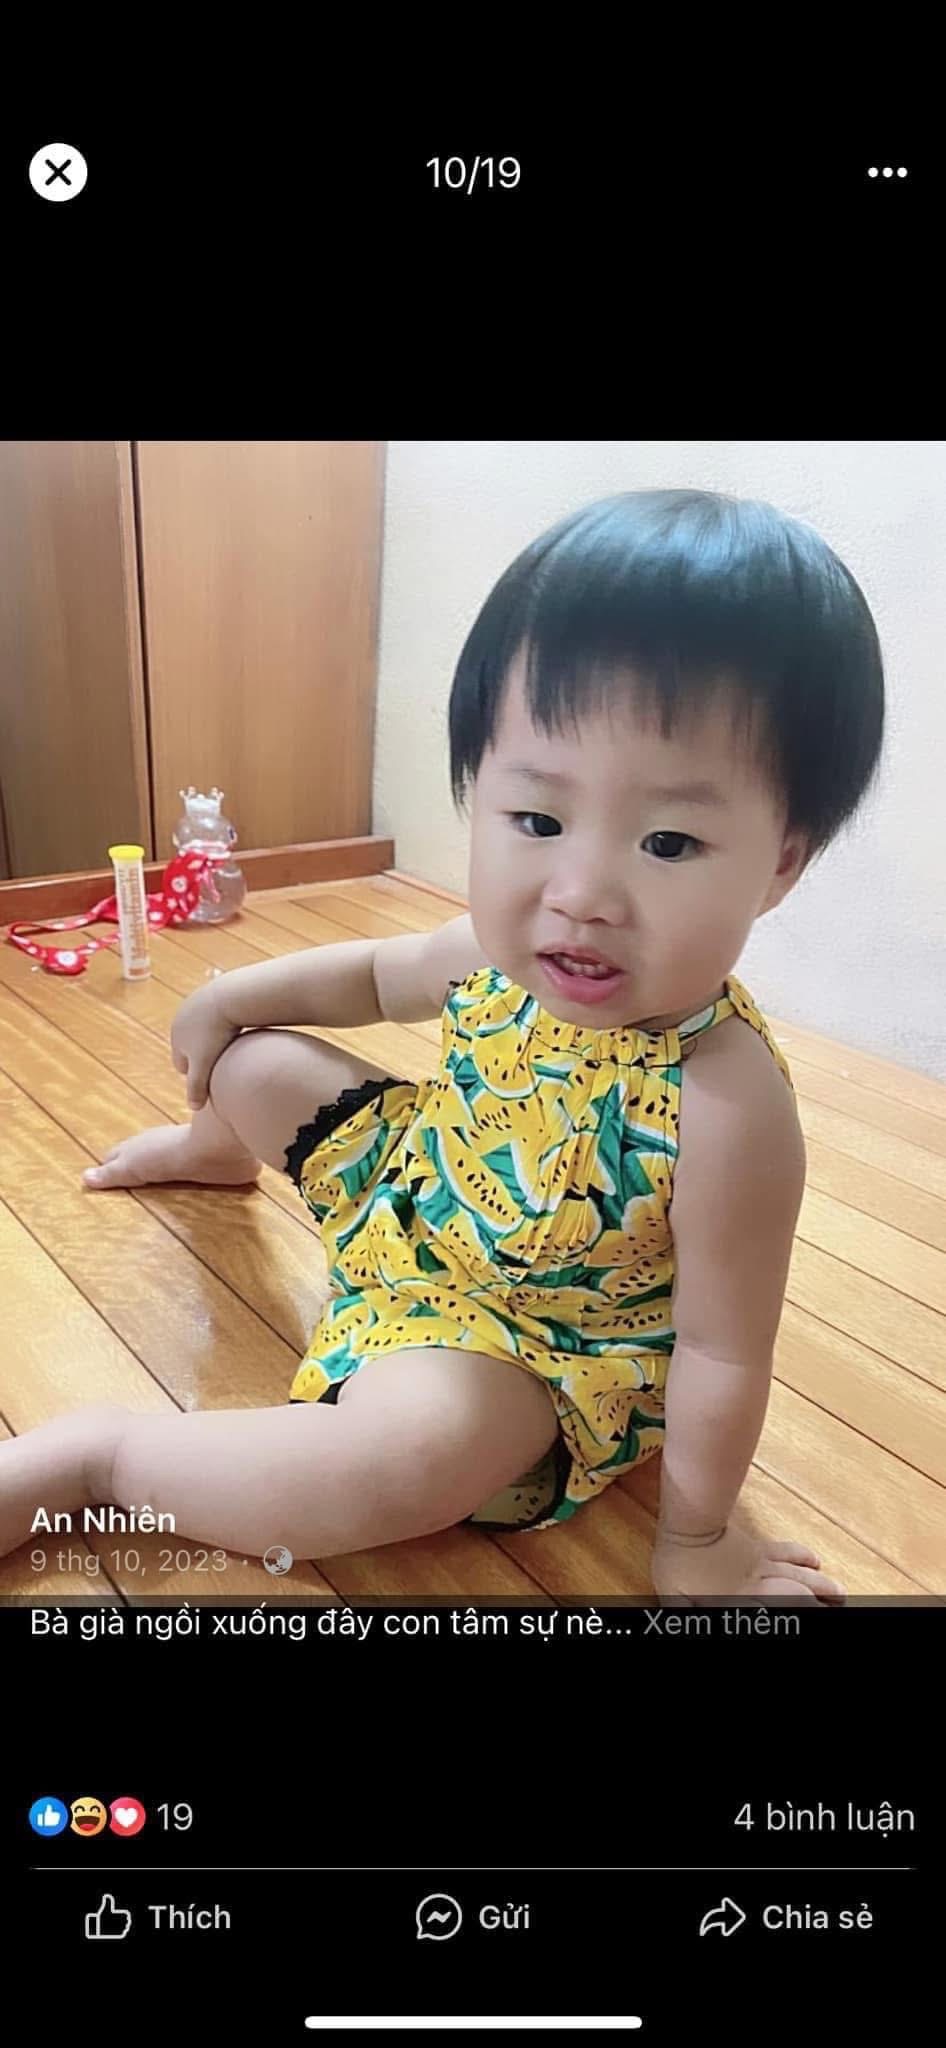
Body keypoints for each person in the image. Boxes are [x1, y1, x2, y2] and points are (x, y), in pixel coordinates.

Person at [0, 490, 885, 1600]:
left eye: (667, 840)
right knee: (256, 1054)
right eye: (538, 820)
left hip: (527, 1344)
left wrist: (699, 1541)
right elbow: (373, 978)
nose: (581, 893)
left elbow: (721, 1351)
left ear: (781, 862)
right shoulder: (499, 951)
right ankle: (216, 1148)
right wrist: (226, 1000)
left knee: (407, 1460)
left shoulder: (728, 1103)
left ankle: (95, 1461)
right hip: (414, 1193)